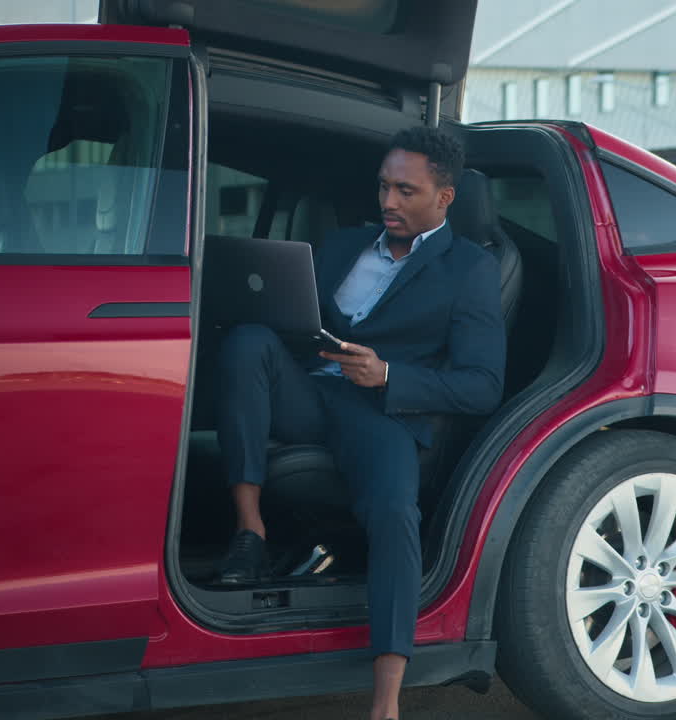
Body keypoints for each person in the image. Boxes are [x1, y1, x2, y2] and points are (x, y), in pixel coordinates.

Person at [214, 126, 506, 720]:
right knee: (248, 341)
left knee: (396, 514)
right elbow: (296, 319)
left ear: (445, 197)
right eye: (383, 187)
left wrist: (390, 375)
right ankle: (251, 532)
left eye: (405, 190)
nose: (388, 202)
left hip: (384, 411)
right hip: (311, 391)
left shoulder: (470, 269)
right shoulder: (342, 245)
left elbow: (483, 386)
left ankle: (386, 702)